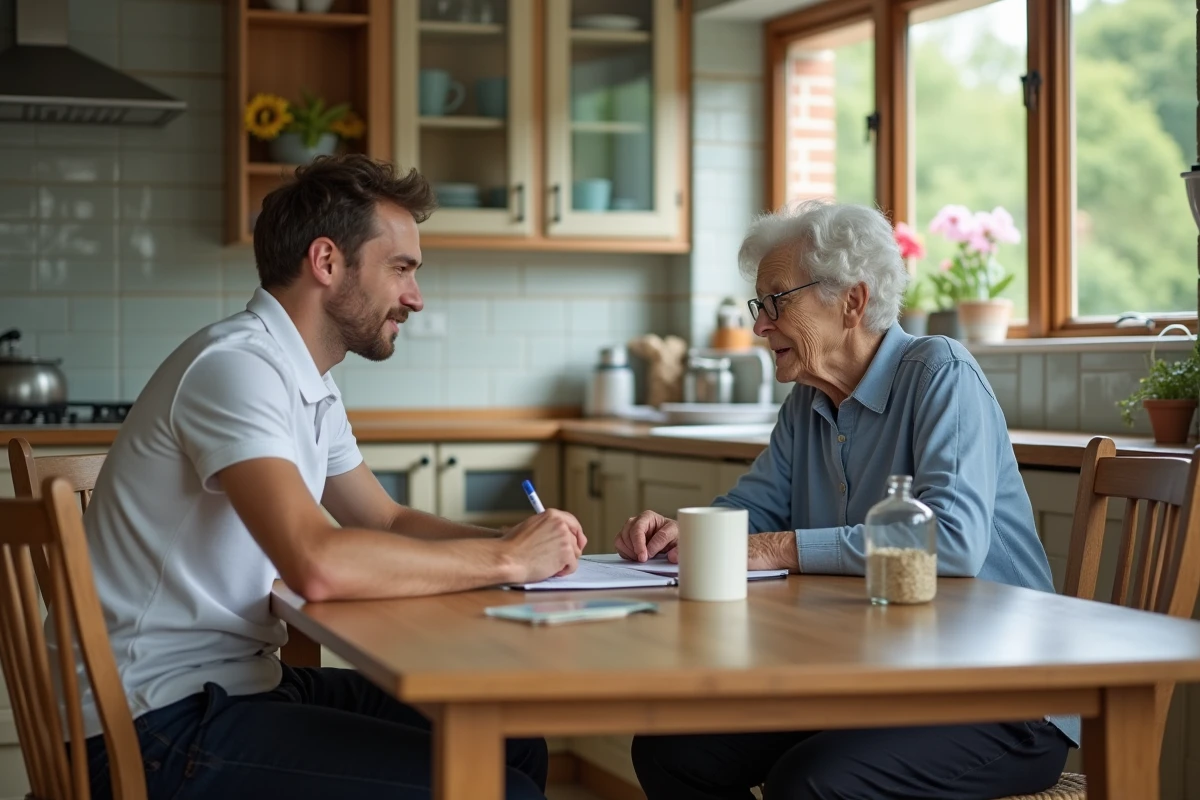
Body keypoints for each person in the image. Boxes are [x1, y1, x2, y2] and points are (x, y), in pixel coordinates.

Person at [64, 155, 584, 800]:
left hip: (236, 684)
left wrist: (512, 538)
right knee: (500, 789)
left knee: (512, 740)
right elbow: (316, 563)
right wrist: (506, 559)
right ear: (327, 262)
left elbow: (384, 518)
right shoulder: (238, 368)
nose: (416, 297)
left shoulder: (304, 379)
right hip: (151, 720)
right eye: (401, 269)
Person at [615, 201, 1073, 800]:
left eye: (778, 301)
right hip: (876, 681)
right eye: (760, 305)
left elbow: (953, 543)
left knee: (810, 782)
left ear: (852, 302)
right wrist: (684, 532)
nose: (761, 325)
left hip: (998, 695)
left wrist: (777, 548)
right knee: (673, 752)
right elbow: (749, 512)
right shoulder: (806, 404)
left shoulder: (940, 373)